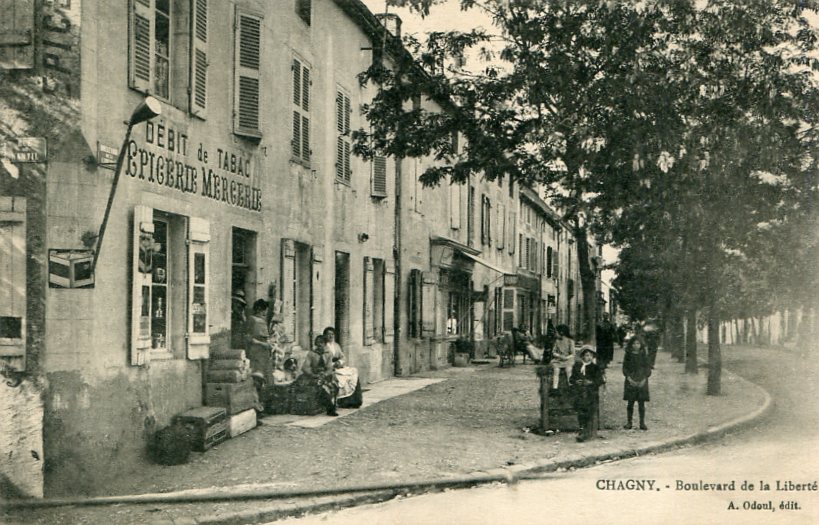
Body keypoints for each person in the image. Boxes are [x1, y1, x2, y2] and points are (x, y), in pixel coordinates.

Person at [322, 326, 362, 408]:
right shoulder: (323, 347)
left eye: (332, 334)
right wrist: (332, 364)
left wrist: (340, 362)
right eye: (328, 334)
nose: (330, 336)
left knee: (353, 372)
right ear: (325, 336)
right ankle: (342, 401)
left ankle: (354, 400)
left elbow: (343, 357)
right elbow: (323, 360)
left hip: (338, 367)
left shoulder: (336, 345)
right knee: (342, 378)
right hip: (330, 368)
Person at [300, 335, 339, 416]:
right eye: (317, 343)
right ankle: (330, 408)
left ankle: (332, 406)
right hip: (313, 376)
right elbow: (305, 367)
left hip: (325, 376)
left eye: (321, 343)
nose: (319, 345)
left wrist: (325, 374)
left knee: (334, 385)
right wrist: (313, 374)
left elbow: (329, 368)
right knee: (320, 387)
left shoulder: (328, 354)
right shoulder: (311, 354)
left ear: (325, 344)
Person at [570, 346, 604, 442]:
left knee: (588, 411)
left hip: (590, 393)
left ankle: (586, 431)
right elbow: (571, 379)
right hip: (580, 393)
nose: (587, 357)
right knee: (580, 411)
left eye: (589, 355)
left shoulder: (595, 367)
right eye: (586, 355)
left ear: (592, 357)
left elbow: (600, 380)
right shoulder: (577, 367)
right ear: (582, 356)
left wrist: (591, 382)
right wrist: (576, 381)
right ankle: (581, 429)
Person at [622, 336, 651, 430]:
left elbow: (648, 368)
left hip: (642, 379)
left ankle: (642, 423)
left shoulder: (644, 355)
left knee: (641, 403)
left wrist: (644, 379)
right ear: (631, 345)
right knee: (630, 403)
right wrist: (629, 379)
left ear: (641, 344)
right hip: (631, 380)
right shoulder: (628, 355)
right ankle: (629, 422)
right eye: (634, 343)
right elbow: (624, 368)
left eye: (638, 343)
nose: (636, 345)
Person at [551, 324, 575, 389]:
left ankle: (571, 386)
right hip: (558, 360)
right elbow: (553, 352)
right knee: (556, 370)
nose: (555, 334)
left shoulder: (570, 341)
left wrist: (566, 357)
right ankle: (555, 388)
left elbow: (573, 354)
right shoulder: (557, 341)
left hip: (568, 359)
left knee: (568, 370)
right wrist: (558, 355)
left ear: (561, 332)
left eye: (556, 332)